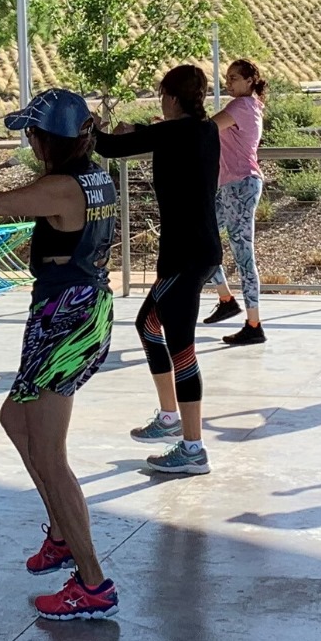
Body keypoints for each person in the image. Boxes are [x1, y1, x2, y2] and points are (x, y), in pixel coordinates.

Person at [0, 88, 120, 622]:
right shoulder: (94, 177)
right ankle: (61, 534)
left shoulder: (62, 187)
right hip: (69, 311)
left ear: (46, 140)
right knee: (14, 418)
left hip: (68, 318)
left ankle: (93, 584)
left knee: (50, 455)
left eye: (33, 135)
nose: (30, 143)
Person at [95, 65, 223, 476]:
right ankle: (170, 418)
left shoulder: (172, 133)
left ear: (171, 98)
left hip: (185, 258)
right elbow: (160, 136)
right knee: (149, 326)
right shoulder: (205, 130)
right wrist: (138, 130)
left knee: (182, 348)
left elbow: (107, 148)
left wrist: (89, 128)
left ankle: (193, 448)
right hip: (199, 251)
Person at [204, 59, 268, 346]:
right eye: (227, 78)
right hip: (231, 186)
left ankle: (254, 324)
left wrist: (175, 125)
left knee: (243, 254)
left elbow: (206, 129)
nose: (228, 83)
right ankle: (226, 299)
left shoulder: (241, 106)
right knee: (201, 238)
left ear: (249, 80)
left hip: (241, 185)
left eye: (233, 78)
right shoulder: (247, 106)